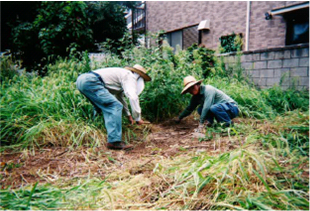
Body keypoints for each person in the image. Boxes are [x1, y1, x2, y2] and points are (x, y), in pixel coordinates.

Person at [76, 64, 151, 150]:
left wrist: (128, 115)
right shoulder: (129, 75)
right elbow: (133, 97)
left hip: (82, 80)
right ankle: (114, 141)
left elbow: (120, 98)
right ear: (138, 75)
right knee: (114, 106)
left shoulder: (121, 75)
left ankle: (95, 131)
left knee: (100, 107)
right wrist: (137, 118)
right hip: (92, 81)